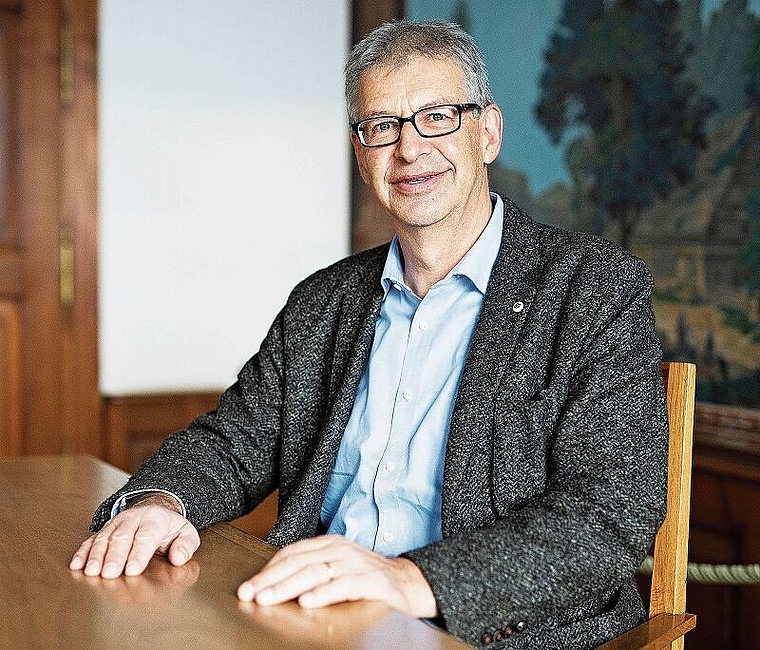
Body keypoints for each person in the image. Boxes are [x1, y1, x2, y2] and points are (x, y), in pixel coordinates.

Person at [70, 20, 668, 649]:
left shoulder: (593, 288)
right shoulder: (323, 301)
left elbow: (609, 515)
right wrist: (161, 502)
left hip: (497, 633)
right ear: (361, 154)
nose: (408, 150)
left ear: (488, 132)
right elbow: (234, 440)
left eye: (436, 116)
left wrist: (411, 580)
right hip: (313, 622)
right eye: (382, 126)